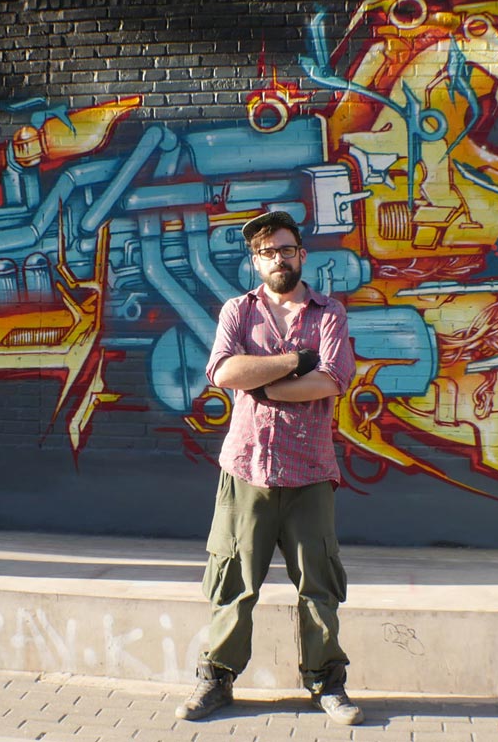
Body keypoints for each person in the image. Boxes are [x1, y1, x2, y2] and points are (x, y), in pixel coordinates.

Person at [175, 209, 363, 725]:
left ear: (301, 255)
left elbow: (332, 379)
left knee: (319, 584)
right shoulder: (238, 310)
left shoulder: (329, 313)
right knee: (234, 580)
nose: (277, 258)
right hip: (246, 470)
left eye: (285, 248)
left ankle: (327, 683)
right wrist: (291, 364)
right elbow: (222, 371)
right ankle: (216, 681)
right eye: (266, 252)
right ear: (254, 262)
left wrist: (265, 385)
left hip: (310, 471)